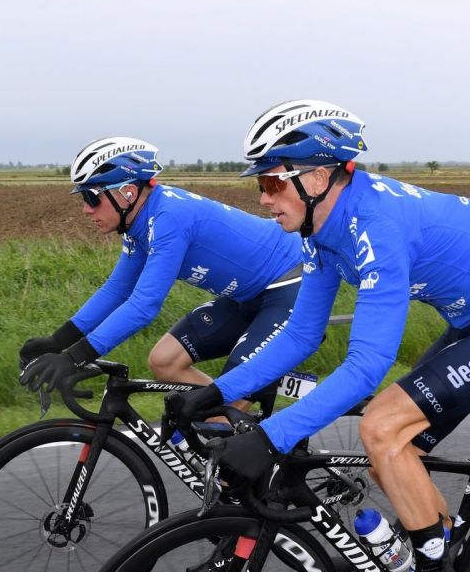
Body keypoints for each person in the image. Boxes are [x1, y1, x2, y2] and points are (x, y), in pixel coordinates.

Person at [164, 100, 470, 572]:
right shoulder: (321, 230)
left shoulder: (375, 225)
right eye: (260, 184)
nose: (263, 198)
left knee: (381, 426)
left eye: (272, 182)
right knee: (391, 459)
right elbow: (302, 334)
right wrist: (217, 392)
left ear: (317, 176)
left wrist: (269, 437)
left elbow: (367, 365)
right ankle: (454, 561)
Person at [18, 137, 304, 411]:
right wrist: (58, 342)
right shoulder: (139, 225)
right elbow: (117, 289)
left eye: (91, 197)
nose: (85, 209)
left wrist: (75, 357)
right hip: (247, 296)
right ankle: (232, 424)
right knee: (165, 361)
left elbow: (144, 305)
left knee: (226, 402)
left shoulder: (169, 217)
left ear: (127, 193)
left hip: (289, 283)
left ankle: (244, 431)